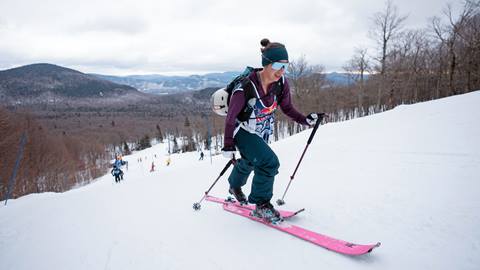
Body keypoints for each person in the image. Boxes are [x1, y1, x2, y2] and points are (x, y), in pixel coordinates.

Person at [221, 38, 324, 222]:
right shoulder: (245, 86)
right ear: (266, 64)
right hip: (242, 130)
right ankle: (261, 204)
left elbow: (288, 108)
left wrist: (305, 120)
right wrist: (228, 145)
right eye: (277, 65)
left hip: (261, 129)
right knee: (269, 162)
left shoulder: (281, 83)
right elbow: (230, 118)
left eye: (285, 66)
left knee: (250, 160)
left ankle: (234, 186)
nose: (281, 70)